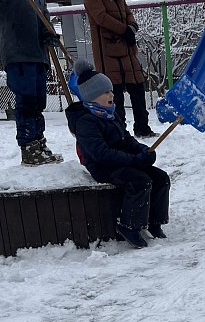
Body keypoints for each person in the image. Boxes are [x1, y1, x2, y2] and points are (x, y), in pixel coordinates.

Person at [65, 59, 170, 248]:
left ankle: (154, 221)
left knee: (161, 178)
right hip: (104, 167)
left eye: (111, 91)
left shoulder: (110, 114)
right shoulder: (86, 121)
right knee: (140, 181)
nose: (111, 95)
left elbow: (126, 139)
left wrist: (142, 150)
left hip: (121, 162)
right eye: (106, 92)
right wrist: (134, 160)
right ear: (92, 96)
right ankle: (129, 226)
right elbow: (100, 153)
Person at [0, 0, 63, 165]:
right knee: (27, 101)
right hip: (18, 53)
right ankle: (28, 147)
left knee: (39, 102)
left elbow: (43, 16)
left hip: (39, 55)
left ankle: (39, 143)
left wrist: (48, 33)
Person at [83, 0, 157, 138]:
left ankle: (142, 127)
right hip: (108, 51)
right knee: (114, 93)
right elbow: (101, 17)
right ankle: (119, 131)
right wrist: (124, 30)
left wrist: (132, 27)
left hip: (128, 49)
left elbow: (128, 12)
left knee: (137, 86)